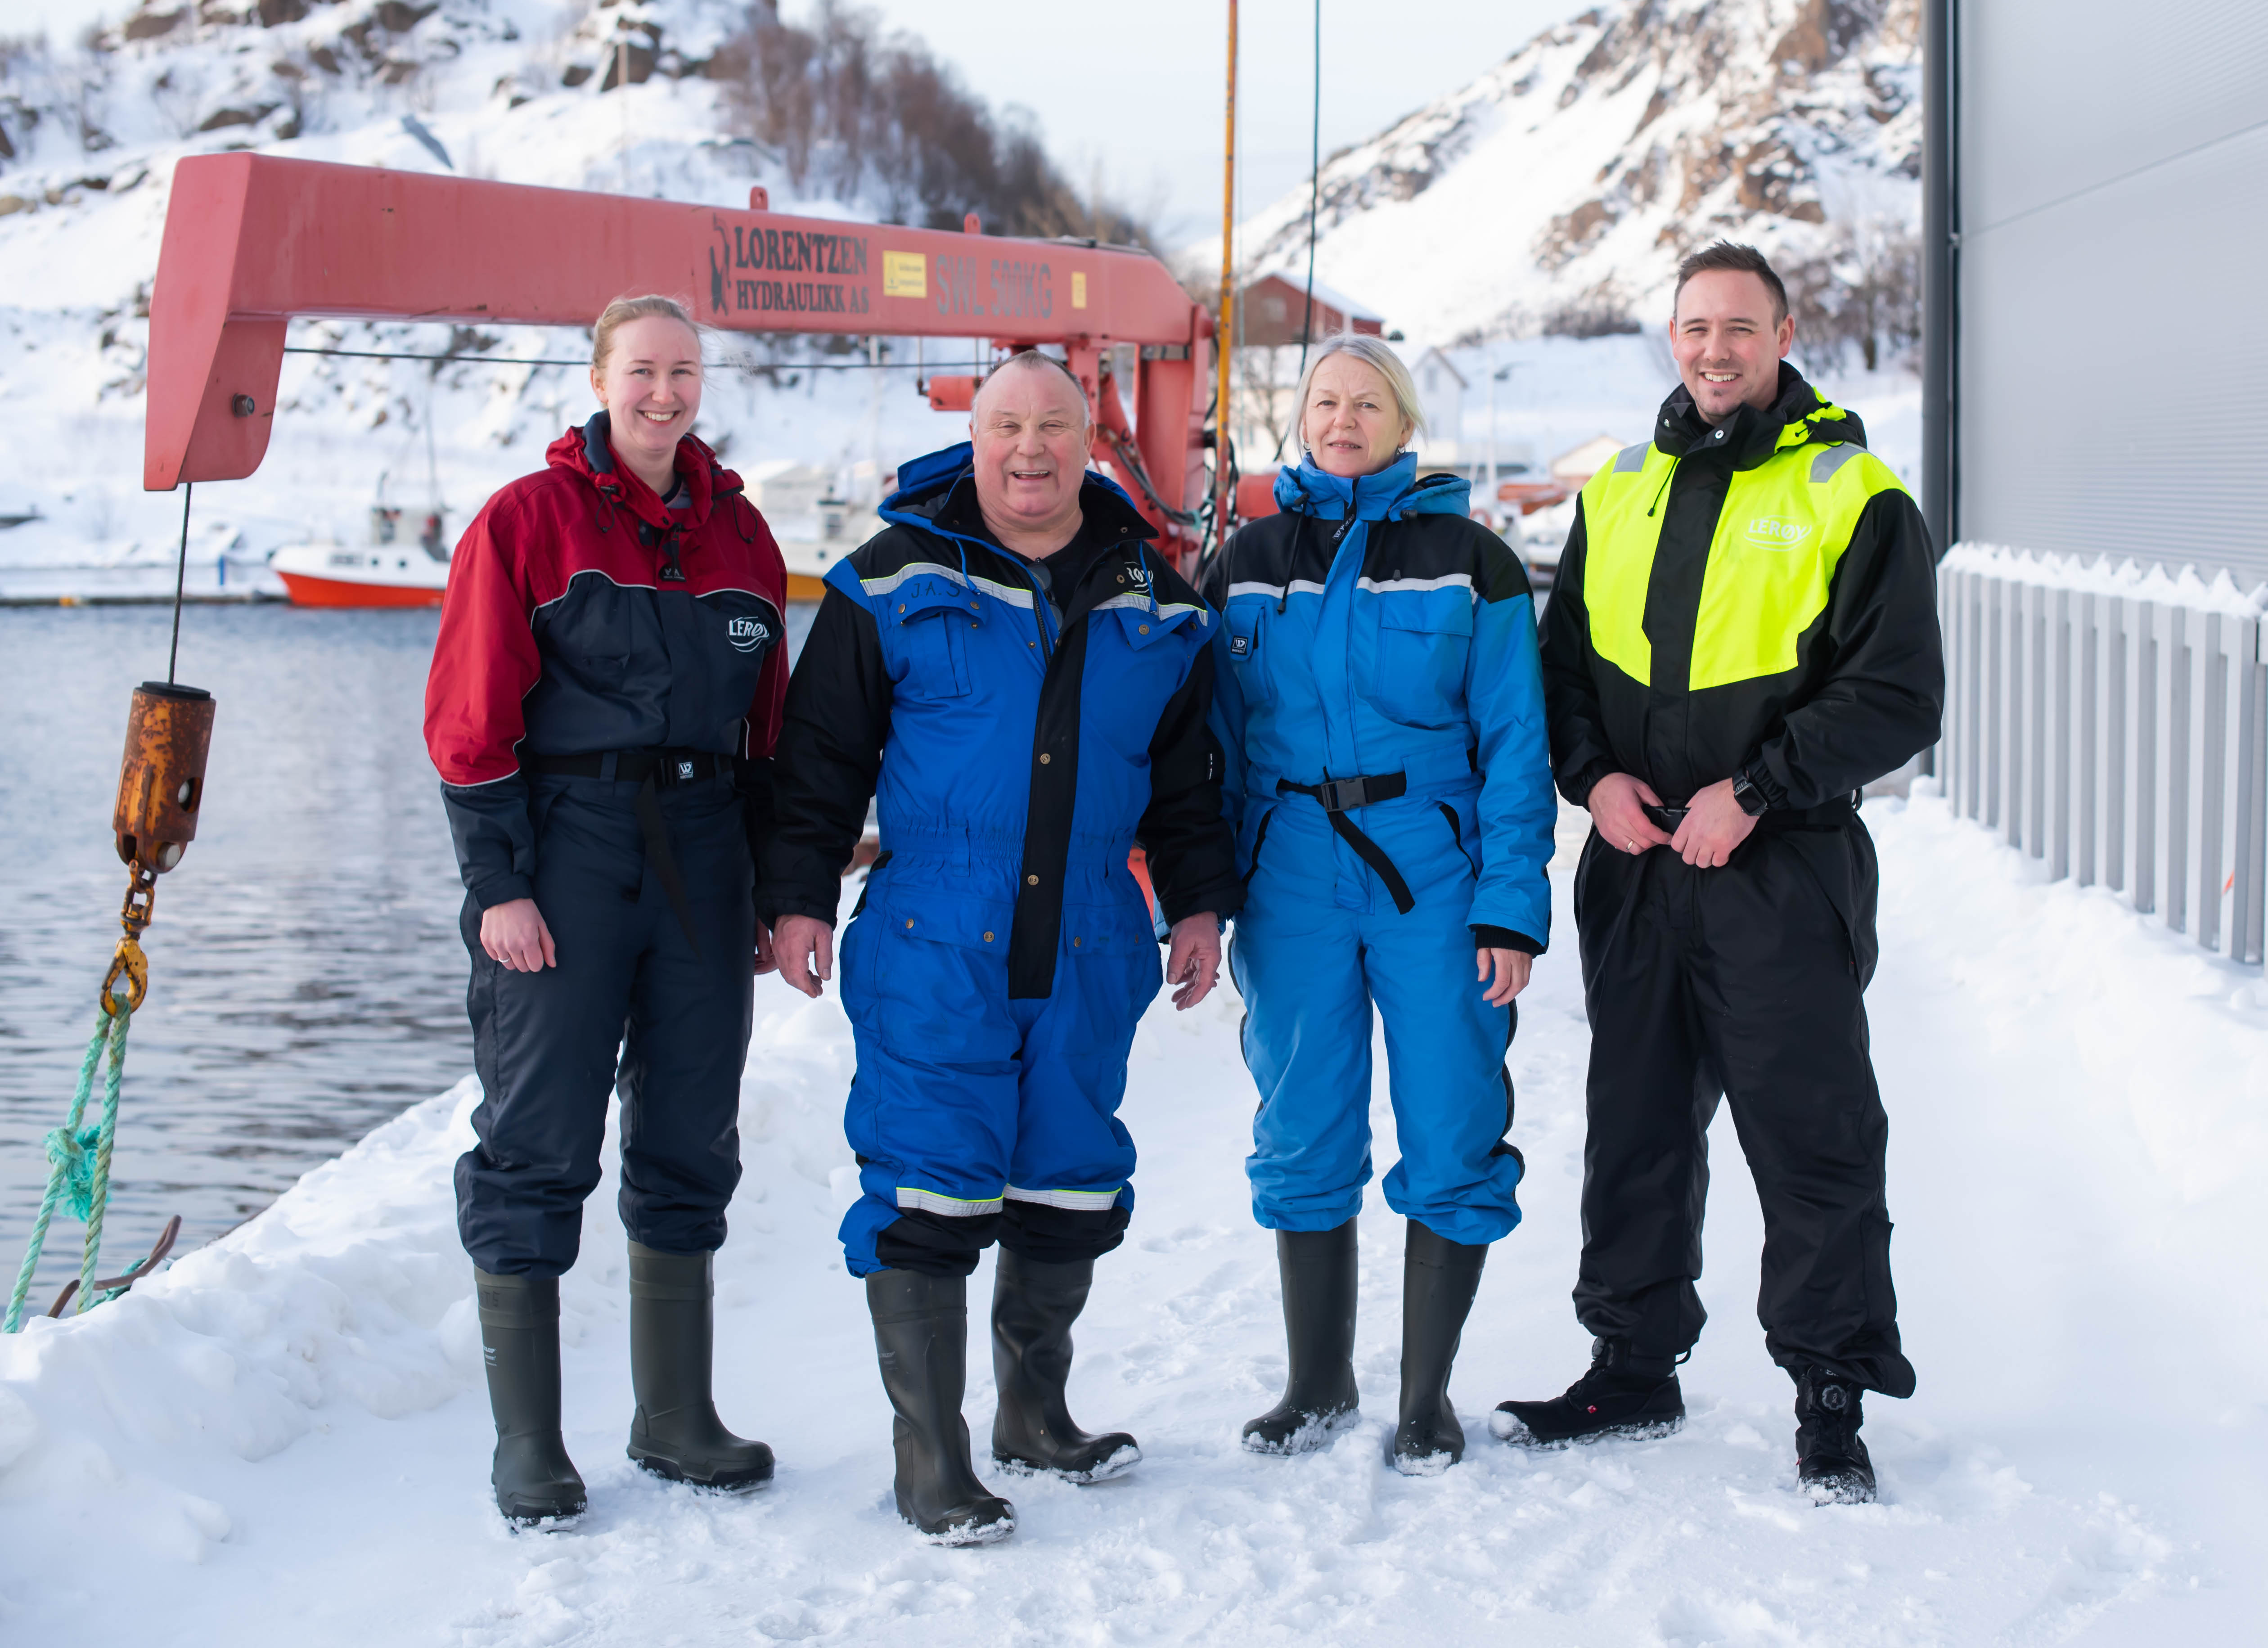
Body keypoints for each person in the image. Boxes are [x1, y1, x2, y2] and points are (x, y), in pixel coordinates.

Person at [759, 350, 1241, 1545]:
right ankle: (933, 1458)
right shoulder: (886, 581)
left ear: (1091, 444)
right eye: (1007, 426)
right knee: (926, 1188)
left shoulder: (1160, 603)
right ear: (971, 441)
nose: (1030, 450)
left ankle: (1036, 1413)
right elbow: (820, 760)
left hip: (1088, 936)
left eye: (1054, 427)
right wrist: (799, 897)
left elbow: (1187, 782)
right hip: (936, 931)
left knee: (1069, 1184)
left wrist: (1194, 905)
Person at [1497, 243, 1943, 1505]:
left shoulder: (1852, 494)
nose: (1714, 350)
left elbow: (1900, 694)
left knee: (1812, 1141)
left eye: (1739, 328)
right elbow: (1563, 666)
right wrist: (1597, 782)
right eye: (1694, 327)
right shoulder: (1623, 488)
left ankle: (1833, 1392)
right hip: (1640, 867)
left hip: (1778, 870)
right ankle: (1632, 1363)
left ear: (1783, 332)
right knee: (1636, 1130)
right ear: (1673, 337)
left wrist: (1755, 793)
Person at [424, 293, 788, 1527]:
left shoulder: (743, 537)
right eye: (642, 370)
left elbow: (770, 736)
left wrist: (769, 889)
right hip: (567, 855)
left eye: (684, 372)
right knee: (538, 1140)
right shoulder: (527, 522)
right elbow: (471, 724)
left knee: (692, 1132)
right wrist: (499, 888)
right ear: (598, 376)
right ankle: (528, 1443)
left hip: (703, 854)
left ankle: (673, 1417)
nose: (664, 393)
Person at [1200, 335, 1554, 1475]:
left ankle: (1425, 1393)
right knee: (1301, 1114)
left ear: (1404, 423)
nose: (1342, 418)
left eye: (1367, 403)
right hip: (1289, 864)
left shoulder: (1472, 560)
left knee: (1452, 1111)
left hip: (1431, 867)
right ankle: (1315, 1384)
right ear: (1299, 417)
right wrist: (1204, 890)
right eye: (1324, 400)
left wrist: (1510, 906)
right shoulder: (1246, 560)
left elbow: (1514, 743)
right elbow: (1203, 740)